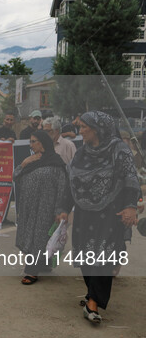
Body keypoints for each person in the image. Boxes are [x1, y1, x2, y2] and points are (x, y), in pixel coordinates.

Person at [61, 111, 139, 324]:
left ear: (97, 129)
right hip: (84, 213)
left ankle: (94, 302)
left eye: (85, 126)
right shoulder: (82, 153)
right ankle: (91, 293)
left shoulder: (118, 149)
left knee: (104, 257)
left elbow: (131, 177)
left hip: (110, 213)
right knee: (87, 256)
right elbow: (71, 181)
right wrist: (64, 209)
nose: (81, 130)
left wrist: (131, 206)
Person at [13, 130, 68, 285]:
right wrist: (24, 163)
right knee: (29, 236)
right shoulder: (31, 160)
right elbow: (15, 177)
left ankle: (31, 271)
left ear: (42, 143)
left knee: (37, 238)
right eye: (30, 141)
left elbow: (62, 186)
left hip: (45, 208)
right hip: (28, 207)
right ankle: (44, 264)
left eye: (33, 141)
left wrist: (59, 210)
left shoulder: (55, 161)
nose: (30, 145)